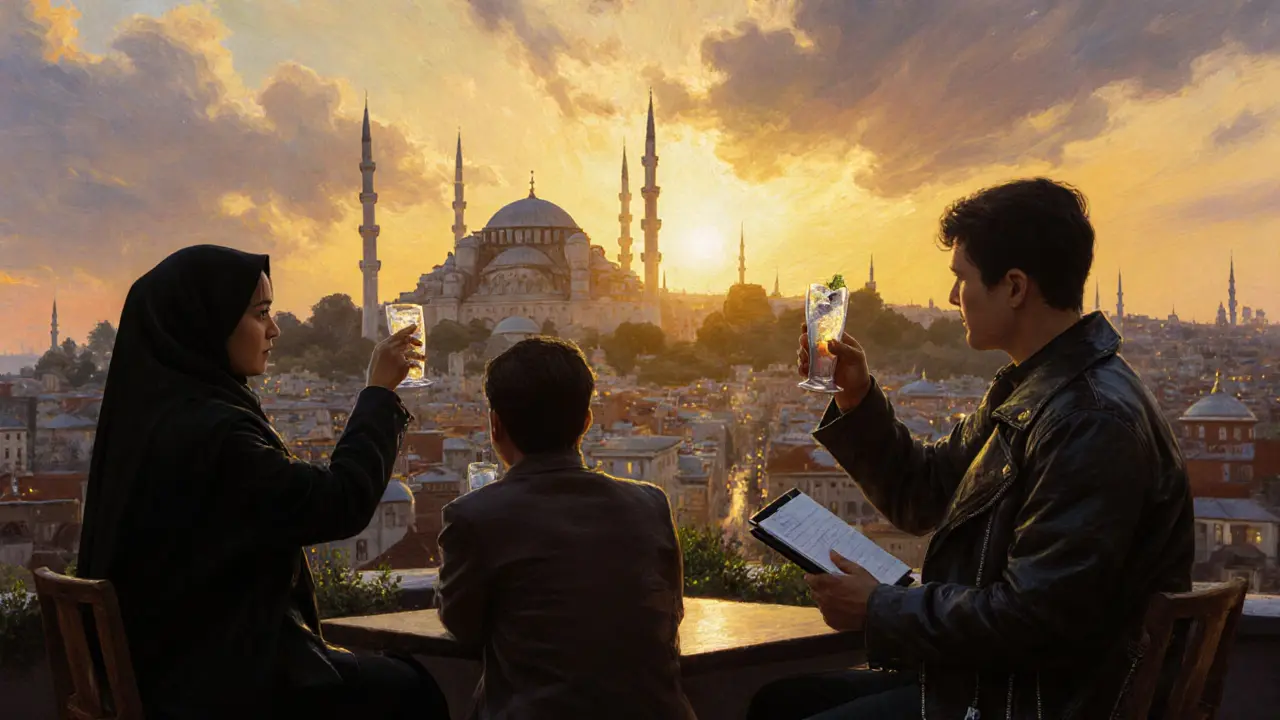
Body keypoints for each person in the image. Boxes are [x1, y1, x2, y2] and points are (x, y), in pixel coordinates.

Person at [748, 179, 1193, 719]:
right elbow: (924, 492)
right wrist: (856, 400)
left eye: (961, 279)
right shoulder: (1037, 391)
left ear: (1014, 287)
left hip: (1035, 702)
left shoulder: (1088, 421)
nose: (953, 298)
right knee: (781, 703)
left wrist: (878, 608)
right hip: (1006, 686)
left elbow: (1035, 618)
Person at [76, 245, 450, 720]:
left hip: (174, 670)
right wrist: (377, 395)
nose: (275, 329)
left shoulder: (152, 418)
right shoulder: (213, 434)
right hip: (223, 686)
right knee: (411, 690)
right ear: (207, 323)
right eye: (261, 314)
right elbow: (338, 503)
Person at [436, 337, 696, 720]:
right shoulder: (650, 504)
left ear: (495, 425)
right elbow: (671, 610)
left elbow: (461, 624)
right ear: (587, 421)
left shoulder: (473, 516)